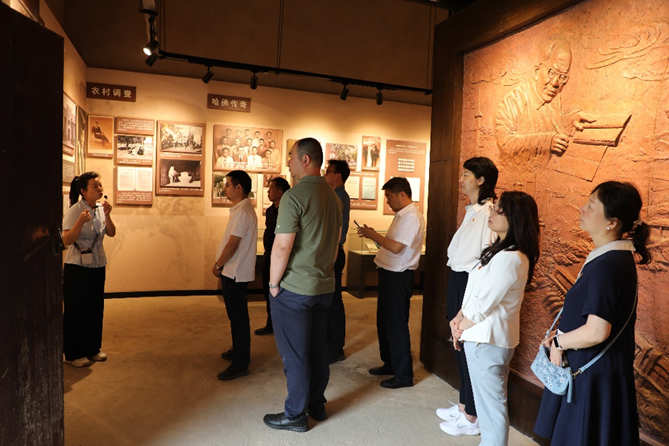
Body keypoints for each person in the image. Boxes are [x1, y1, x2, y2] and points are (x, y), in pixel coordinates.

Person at [534, 181, 650, 445]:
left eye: (591, 206)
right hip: (596, 371)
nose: (582, 209)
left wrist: (559, 343)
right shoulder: (610, 259)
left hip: (591, 375)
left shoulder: (608, 265)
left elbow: (597, 330)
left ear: (612, 222)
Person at [263, 138, 342, 432]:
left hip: (295, 290)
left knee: (295, 355)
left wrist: (273, 284)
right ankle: (316, 404)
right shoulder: (333, 198)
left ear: (305, 160)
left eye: (291, 156)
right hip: (324, 287)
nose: (288, 162)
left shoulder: (293, 197)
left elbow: (282, 247)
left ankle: (295, 414)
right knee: (317, 349)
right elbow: (335, 245)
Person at [449, 191, 540, 445]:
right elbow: (475, 293)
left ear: (515, 219)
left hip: (487, 340)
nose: (492, 212)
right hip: (480, 337)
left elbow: (483, 305)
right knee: (488, 407)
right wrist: (459, 317)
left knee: (492, 410)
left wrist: (459, 327)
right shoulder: (500, 250)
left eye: (499, 210)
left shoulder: (511, 258)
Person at [436, 157, 499, 436]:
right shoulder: (473, 210)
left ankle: (472, 415)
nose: (461, 180)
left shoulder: (488, 212)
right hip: (459, 278)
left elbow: (486, 259)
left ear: (481, 180)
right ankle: (464, 405)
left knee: (466, 343)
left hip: (469, 281)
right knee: (458, 343)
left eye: (466, 175)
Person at [358, 177, 425, 389]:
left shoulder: (412, 217)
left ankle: (404, 375)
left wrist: (373, 235)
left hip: (399, 276)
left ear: (402, 195)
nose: (387, 201)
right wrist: (374, 236)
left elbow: (396, 248)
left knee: (396, 326)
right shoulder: (402, 215)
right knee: (385, 323)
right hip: (389, 274)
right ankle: (390, 363)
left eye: (389, 196)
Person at [495, 39, 595, 180]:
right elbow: (506, 143)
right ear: (536, 71)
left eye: (562, 77)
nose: (555, 83)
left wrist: (571, 119)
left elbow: (552, 124)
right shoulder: (512, 102)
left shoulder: (553, 102)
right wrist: (546, 141)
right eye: (551, 72)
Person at [62, 172, 116, 367]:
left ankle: (93, 348)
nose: (100, 189)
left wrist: (108, 215)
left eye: (100, 185)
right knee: (76, 309)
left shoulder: (101, 208)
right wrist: (80, 222)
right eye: (95, 186)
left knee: (95, 307)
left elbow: (111, 233)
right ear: (83, 191)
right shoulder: (75, 210)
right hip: (77, 266)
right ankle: (73, 354)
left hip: (98, 264)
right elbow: (67, 240)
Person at [213, 170, 258, 381]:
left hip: (234, 272)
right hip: (234, 271)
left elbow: (233, 243)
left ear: (239, 187)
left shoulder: (242, 212)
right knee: (236, 316)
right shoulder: (241, 209)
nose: (225, 189)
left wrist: (218, 264)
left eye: (228, 185)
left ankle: (241, 363)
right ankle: (238, 350)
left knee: (238, 317)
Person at [254, 177, 290, 336]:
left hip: (281, 257)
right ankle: (271, 322)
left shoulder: (288, 211)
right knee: (267, 290)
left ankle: (283, 325)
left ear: (280, 192)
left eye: (271, 188)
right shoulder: (270, 211)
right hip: (268, 255)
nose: (268, 191)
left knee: (281, 291)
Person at [324, 159, 351, 364]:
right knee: (328, 301)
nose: (325, 174)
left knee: (334, 302)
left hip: (333, 254)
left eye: (328, 171)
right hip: (329, 253)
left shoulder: (340, 197)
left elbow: (339, 234)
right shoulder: (333, 195)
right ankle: (329, 343)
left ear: (338, 176)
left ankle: (336, 348)